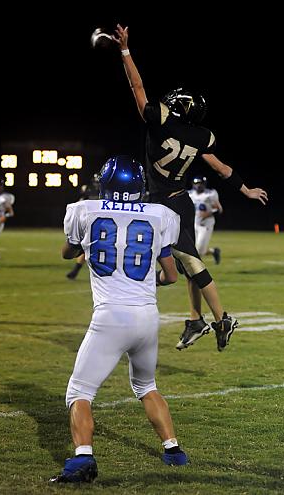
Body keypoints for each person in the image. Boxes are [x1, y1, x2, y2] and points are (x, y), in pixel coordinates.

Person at [112, 24, 268, 352]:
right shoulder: (199, 137)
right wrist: (245, 189)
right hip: (178, 201)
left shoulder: (159, 121)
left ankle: (223, 317)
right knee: (188, 263)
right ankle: (196, 319)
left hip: (166, 204)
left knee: (191, 262)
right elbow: (220, 167)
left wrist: (125, 51)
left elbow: (136, 85)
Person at [50, 155, 187, 484]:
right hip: (147, 317)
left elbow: (67, 253)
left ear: (105, 184)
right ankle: (173, 450)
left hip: (111, 317)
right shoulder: (161, 215)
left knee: (79, 392)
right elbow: (170, 276)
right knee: (146, 385)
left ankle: (83, 459)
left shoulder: (84, 210)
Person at [66, 173, 100, 280]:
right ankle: (76, 270)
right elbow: (81, 203)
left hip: (100, 223)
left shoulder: (106, 192)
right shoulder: (88, 190)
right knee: (86, 247)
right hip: (90, 222)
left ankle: (76, 270)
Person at [189, 176, 223, 264]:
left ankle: (195, 270)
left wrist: (209, 213)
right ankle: (214, 251)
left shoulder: (210, 194)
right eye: (196, 183)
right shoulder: (189, 194)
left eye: (200, 183)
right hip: (194, 224)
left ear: (204, 184)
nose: (198, 186)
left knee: (199, 250)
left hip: (206, 224)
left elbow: (219, 209)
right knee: (197, 249)